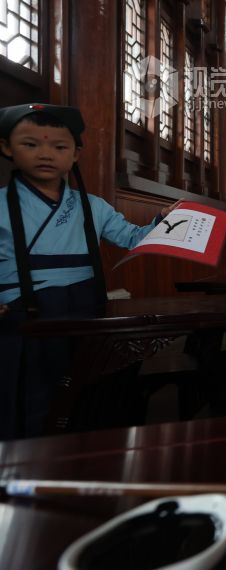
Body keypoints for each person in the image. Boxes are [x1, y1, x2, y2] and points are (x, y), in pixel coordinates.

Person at [0, 103, 176, 439]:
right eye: (30, 144)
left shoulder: (93, 206)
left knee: (87, 397)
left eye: (59, 146)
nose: (45, 154)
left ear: (76, 154)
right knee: (30, 400)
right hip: (22, 314)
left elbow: (133, 238)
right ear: (7, 148)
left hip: (85, 309)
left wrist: (162, 222)